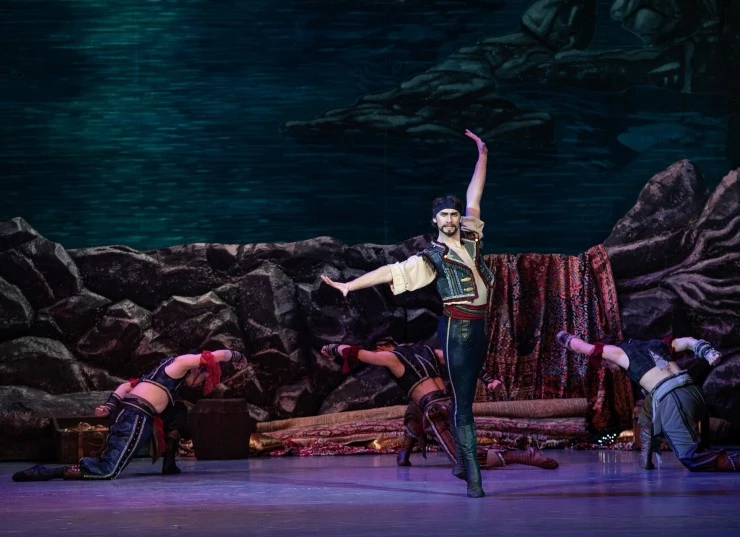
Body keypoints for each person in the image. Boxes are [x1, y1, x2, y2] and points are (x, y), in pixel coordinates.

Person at [322, 129, 493, 497]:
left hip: (480, 328)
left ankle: (462, 463)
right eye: (444, 215)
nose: (451, 218)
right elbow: (391, 271)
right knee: (463, 404)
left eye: (453, 213)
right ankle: (473, 477)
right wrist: (351, 285)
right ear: (435, 221)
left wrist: (482, 156)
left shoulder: (472, 237)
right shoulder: (431, 257)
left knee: (465, 398)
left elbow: (474, 197)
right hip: (458, 328)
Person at [321, 337, 559, 473]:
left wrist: (331, 348)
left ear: (383, 347)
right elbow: (462, 361)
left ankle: (523, 456)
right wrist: (489, 380)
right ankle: (404, 453)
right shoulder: (430, 351)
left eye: (379, 350)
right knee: (414, 410)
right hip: (449, 404)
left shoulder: (392, 357)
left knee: (466, 461)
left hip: (436, 410)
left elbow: (357, 353)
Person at [12, 349, 247, 482]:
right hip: (136, 416)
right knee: (108, 470)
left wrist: (110, 405)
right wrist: (238, 356)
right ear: (197, 369)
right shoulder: (180, 364)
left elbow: (126, 386)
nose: (200, 383)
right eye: (203, 378)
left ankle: (169, 463)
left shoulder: (164, 378)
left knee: (178, 412)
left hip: (135, 415)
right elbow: (215, 355)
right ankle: (46, 471)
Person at [556, 331, 739, 471]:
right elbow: (688, 340)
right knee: (650, 405)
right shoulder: (654, 345)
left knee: (689, 457)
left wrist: (564, 337)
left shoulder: (616, 352)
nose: (607, 366)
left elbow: (581, 347)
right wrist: (707, 351)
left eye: (604, 363)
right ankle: (646, 455)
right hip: (694, 392)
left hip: (674, 398)